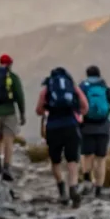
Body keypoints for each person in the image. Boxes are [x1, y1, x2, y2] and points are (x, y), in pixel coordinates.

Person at [35, 66, 88, 207]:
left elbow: (38, 111)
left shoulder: (47, 89)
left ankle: (62, 190)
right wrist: (78, 114)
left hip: (53, 128)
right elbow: (85, 106)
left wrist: (48, 109)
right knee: (72, 160)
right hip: (71, 126)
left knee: (56, 161)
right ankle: (73, 188)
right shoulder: (73, 87)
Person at [78, 65, 110, 198]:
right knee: (100, 159)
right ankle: (98, 188)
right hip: (104, 128)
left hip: (86, 127)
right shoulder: (107, 90)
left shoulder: (82, 89)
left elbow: (75, 108)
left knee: (87, 155)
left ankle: (86, 181)